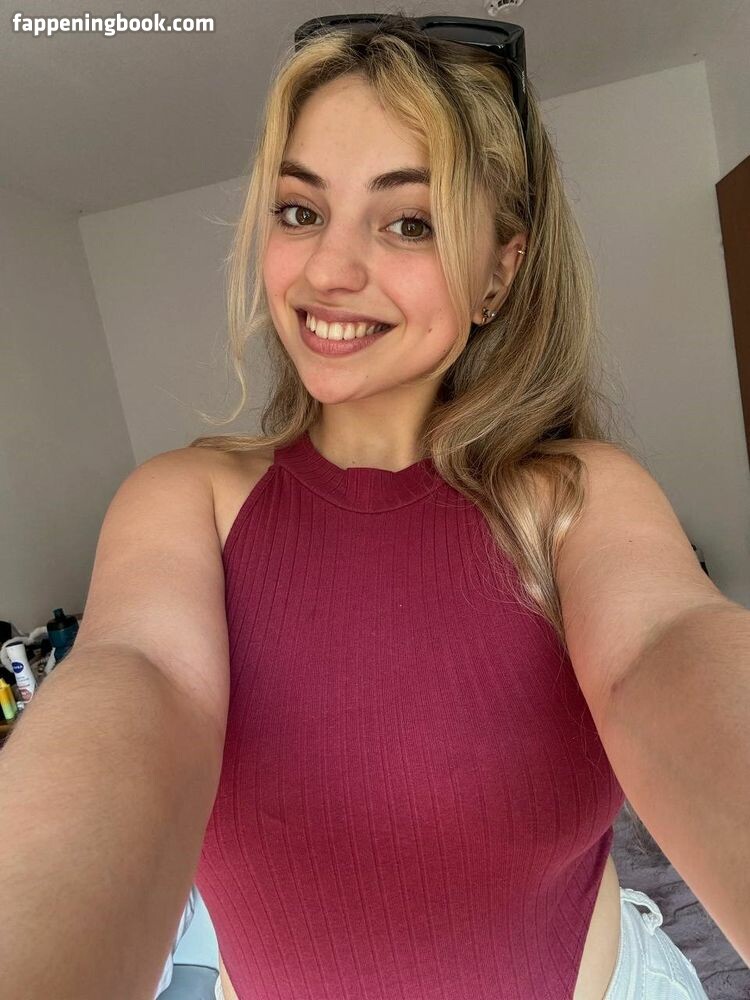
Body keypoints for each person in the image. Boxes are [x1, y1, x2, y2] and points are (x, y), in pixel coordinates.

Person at [2, 10, 736, 1000]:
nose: (327, 270)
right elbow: (140, 682)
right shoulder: (185, 501)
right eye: (300, 210)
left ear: (499, 271)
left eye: (409, 222)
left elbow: (666, 646)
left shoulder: (575, 496)